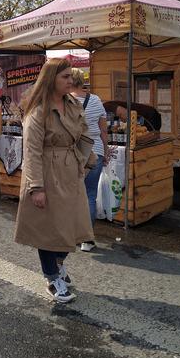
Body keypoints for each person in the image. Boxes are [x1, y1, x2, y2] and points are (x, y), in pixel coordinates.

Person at [14, 58, 95, 304]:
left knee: (71, 224)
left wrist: (87, 160)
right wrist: (36, 187)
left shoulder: (72, 103)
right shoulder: (38, 110)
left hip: (70, 170)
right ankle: (52, 278)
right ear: (51, 79)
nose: (71, 81)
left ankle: (58, 264)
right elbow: (32, 151)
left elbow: (83, 132)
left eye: (71, 76)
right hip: (47, 172)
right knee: (48, 229)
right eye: (65, 77)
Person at [70, 68, 109, 252]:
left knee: (71, 194)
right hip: (96, 151)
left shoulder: (66, 100)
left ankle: (72, 235)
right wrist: (106, 151)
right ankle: (88, 239)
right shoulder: (95, 100)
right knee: (90, 195)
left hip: (74, 153)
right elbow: (103, 130)